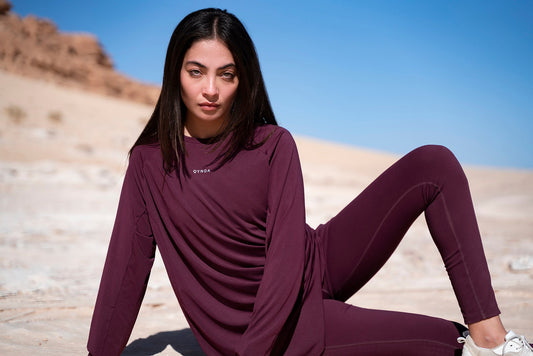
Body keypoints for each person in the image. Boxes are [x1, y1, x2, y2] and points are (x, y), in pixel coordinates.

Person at [87, 8, 532, 356]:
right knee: (446, 341)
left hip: (313, 260)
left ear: (243, 79)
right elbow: (125, 271)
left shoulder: (271, 144)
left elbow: (284, 258)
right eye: (196, 71)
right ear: (175, 74)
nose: (210, 90)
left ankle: (491, 336)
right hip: (286, 328)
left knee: (433, 164)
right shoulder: (150, 164)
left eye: (227, 74)